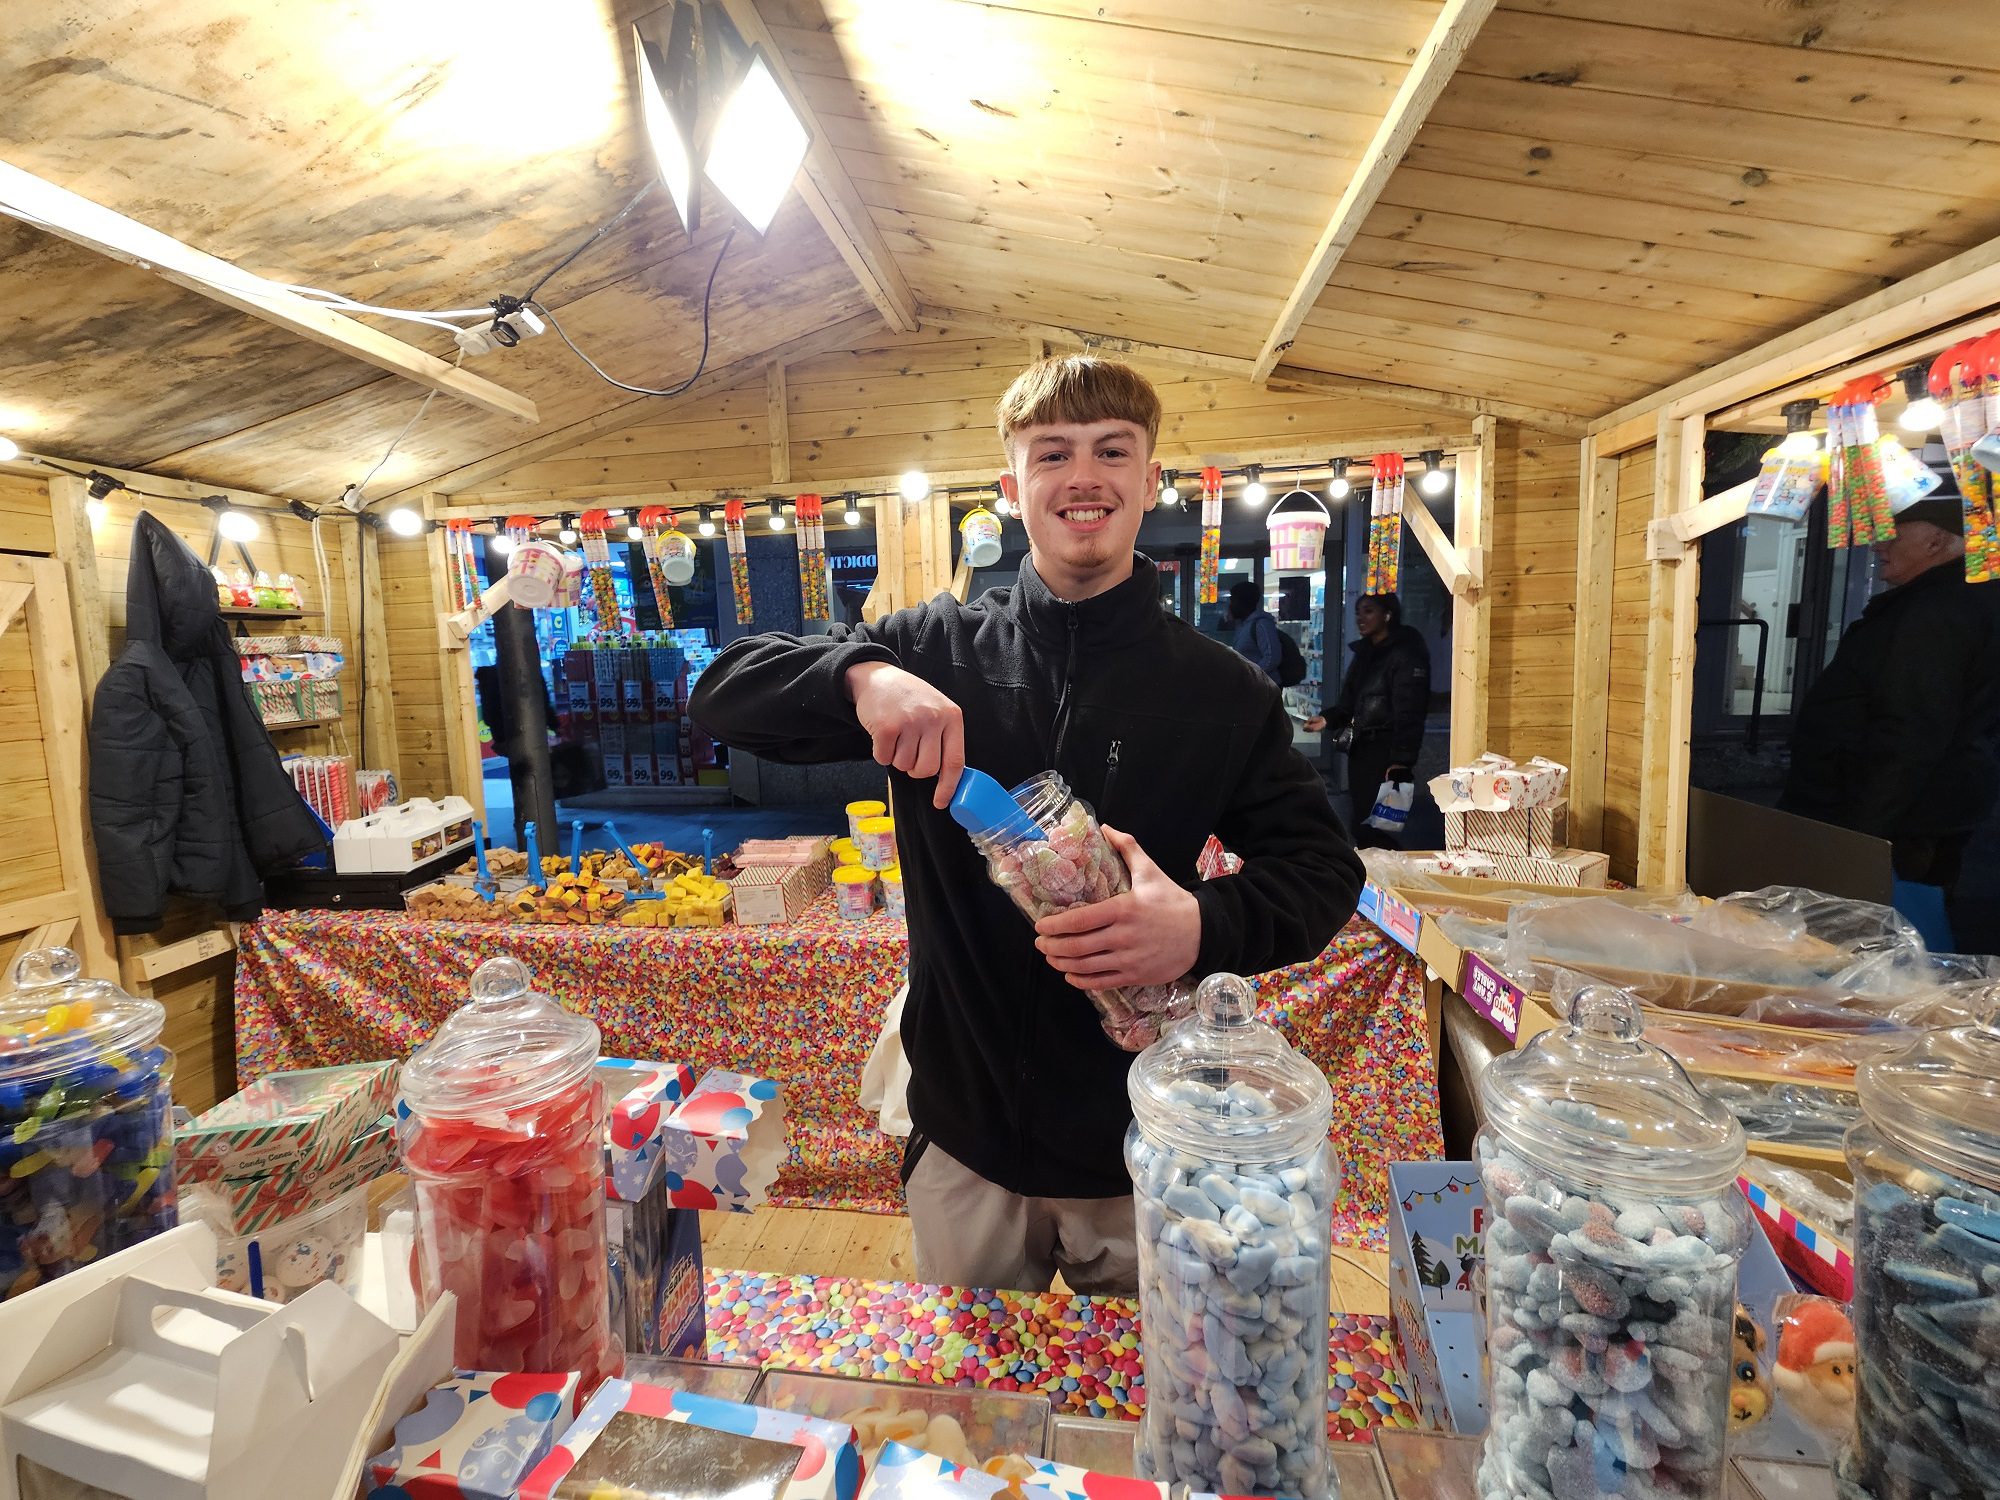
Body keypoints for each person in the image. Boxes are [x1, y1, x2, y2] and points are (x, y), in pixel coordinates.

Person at [690, 355, 1363, 1294]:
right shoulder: (929, 648)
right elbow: (720, 695)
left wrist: (1199, 927)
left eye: (1111, 451)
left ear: (1148, 481)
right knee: (968, 1418)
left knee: (1130, 1415)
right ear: (1013, 489)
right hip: (966, 1147)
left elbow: (1325, 871)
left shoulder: (1219, 692)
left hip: (1137, 1150)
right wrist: (860, 675)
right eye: (1053, 454)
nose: (1083, 476)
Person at [1781, 497, 2000, 922]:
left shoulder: (1938, 612)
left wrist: (1860, 836)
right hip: (1923, 812)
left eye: (1893, 532)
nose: (1879, 544)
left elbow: (1911, 730)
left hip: (1900, 822)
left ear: (1936, 540)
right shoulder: (1957, 600)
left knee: (1883, 934)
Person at [1306, 593, 1430, 848]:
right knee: (1364, 818)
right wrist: (1328, 718)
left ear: (1388, 615)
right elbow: (1351, 700)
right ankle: (1371, 872)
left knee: (1382, 825)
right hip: (1362, 749)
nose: (1360, 618)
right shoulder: (1365, 653)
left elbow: (1411, 710)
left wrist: (1401, 761)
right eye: (1358, 612)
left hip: (1386, 750)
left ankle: (1387, 878)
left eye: (1368, 611)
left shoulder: (1406, 653)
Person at [1226, 579, 1282, 682]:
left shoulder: (1262, 625)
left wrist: (1252, 676)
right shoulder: (1244, 626)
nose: (1230, 606)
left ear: (1243, 602)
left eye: (1233, 601)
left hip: (1264, 689)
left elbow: (1272, 658)